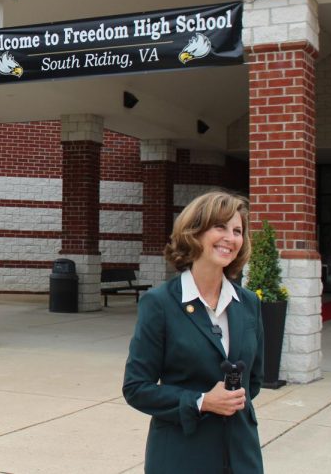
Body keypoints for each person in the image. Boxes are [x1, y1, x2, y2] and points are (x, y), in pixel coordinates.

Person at [123, 190, 264, 473]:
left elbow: (255, 380)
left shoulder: (249, 303)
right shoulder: (160, 303)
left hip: (241, 456)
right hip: (181, 455)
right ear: (194, 232)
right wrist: (202, 401)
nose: (230, 238)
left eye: (237, 231)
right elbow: (136, 388)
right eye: (220, 227)